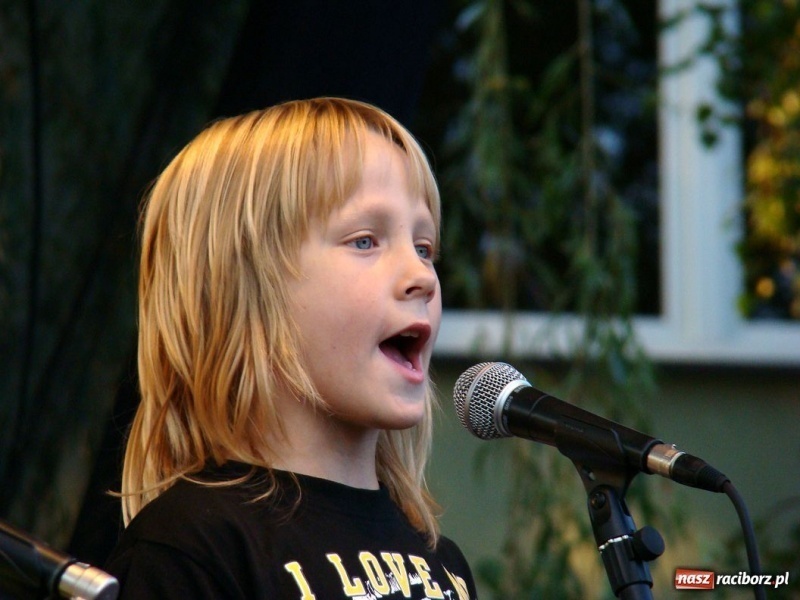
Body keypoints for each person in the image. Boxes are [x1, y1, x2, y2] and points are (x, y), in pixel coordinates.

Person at [105, 97, 477, 599]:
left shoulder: (441, 564)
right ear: (243, 288)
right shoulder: (191, 549)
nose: (422, 277)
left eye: (424, 248)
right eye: (365, 241)